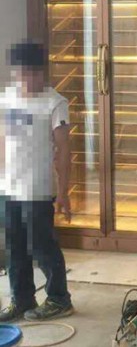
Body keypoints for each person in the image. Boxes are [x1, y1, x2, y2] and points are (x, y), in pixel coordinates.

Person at [0, 41, 74, 321]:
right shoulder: (7, 98)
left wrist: (63, 192)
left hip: (38, 188)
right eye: (22, 73)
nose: (28, 79)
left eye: (33, 73)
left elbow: (64, 151)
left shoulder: (55, 102)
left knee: (42, 245)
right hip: (9, 186)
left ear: (43, 72)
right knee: (14, 247)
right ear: (14, 72)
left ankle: (59, 298)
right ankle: (21, 299)